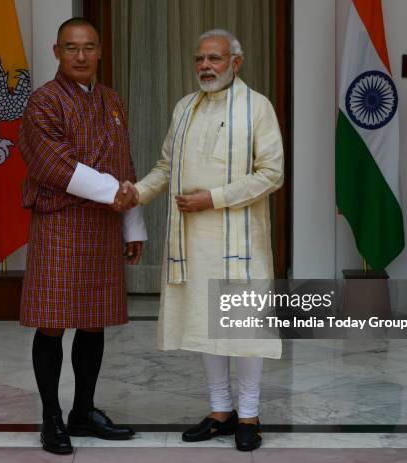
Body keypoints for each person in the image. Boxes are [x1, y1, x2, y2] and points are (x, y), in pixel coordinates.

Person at [116, 29, 284, 452]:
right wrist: (136, 191)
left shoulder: (257, 107)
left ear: (236, 62)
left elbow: (271, 174)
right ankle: (219, 411)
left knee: (243, 329)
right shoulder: (185, 107)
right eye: (199, 59)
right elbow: (166, 166)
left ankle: (249, 414)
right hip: (192, 240)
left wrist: (214, 198)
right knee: (206, 326)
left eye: (215, 58)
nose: (205, 66)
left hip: (240, 240)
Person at [19, 17, 147, 455]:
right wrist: (119, 195)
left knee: (94, 321)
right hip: (60, 223)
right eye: (71, 48)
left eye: (88, 47)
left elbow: (124, 159)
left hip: (104, 224)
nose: (80, 55)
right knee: (52, 322)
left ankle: (84, 410)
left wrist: (133, 225)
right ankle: (51, 415)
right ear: (57, 52)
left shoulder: (111, 100)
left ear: (99, 52)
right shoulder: (43, 102)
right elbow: (57, 167)